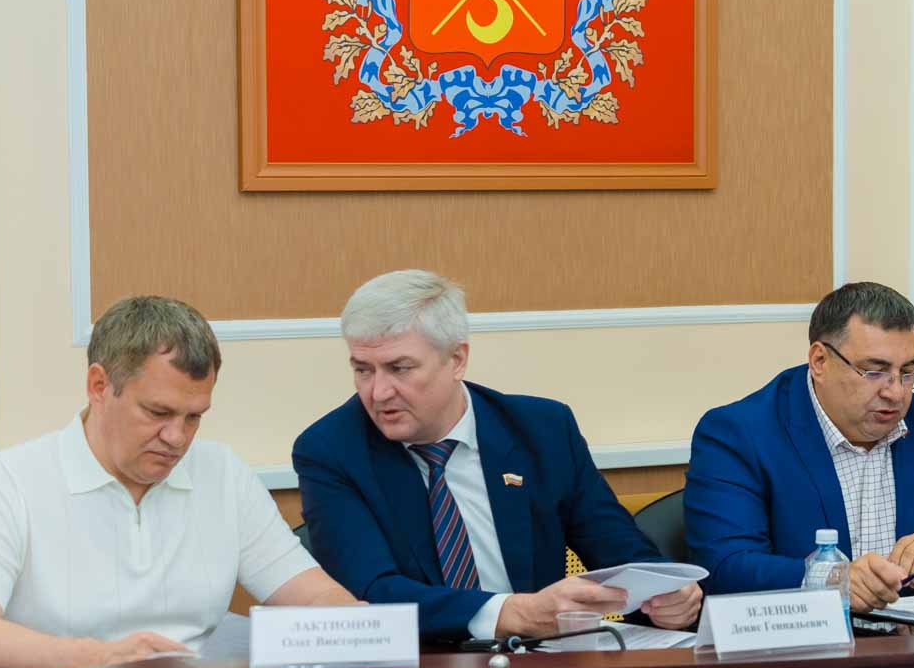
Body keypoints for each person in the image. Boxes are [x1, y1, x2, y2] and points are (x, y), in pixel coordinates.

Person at [0, 296, 358, 668]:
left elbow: (314, 594)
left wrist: (356, 627)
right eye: (157, 413)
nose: (177, 438)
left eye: (194, 417)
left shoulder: (222, 473)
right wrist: (99, 659)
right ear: (99, 387)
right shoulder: (6, 481)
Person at [293, 270, 701, 640]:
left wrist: (666, 594)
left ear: (456, 360)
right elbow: (371, 592)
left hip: (542, 667)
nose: (378, 392)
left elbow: (618, 549)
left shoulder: (542, 430)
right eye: (363, 370)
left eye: (399, 368)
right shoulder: (331, 451)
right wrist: (509, 613)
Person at [684, 282, 914, 610]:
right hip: (808, 645)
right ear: (820, 361)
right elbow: (726, 566)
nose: (895, 392)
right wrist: (832, 580)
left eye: (907, 372)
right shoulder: (740, 434)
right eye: (875, 371)